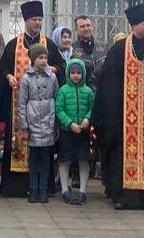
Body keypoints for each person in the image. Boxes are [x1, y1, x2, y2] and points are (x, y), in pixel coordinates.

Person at [91, 3, 144, 210]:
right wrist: (113, 114)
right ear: (134, 25)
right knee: (121, 156)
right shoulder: (119, 49)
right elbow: (109, 85)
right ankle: (123, 196)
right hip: (124, 118)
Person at [0, 0, 66, 198]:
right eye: (34, 19)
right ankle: (16, 187)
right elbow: (3, 69)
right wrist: (8, 76)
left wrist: (54, 69)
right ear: (26, 21)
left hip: (43, 110)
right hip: (19, 107)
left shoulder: (48, 45)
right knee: (18, 142)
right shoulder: (13, 45)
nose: (37, 23)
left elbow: (61, 67)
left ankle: (42, 187)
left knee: (43, 149)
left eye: (40, 19)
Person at [17, 44, 58, 204]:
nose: (43, 61)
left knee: (46, 158)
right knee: (34, 159)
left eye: (45, 58)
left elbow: (56, 96)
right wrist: (24, 126)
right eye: (40, 58)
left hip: (48, 119)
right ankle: (33, 188)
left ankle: (43, 190)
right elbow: (22, 103)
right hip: (33, 119)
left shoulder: (52, 77)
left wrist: (55, 123)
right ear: (33, 59)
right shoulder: (27, 79)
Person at [55, 58, 93, 205]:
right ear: (68, 73)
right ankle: (65, 189)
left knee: (83, 160)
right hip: (67, 131)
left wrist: (87, 119)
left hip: (82, 132)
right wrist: (69, 123)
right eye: (73, 72)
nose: (76, 75)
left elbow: (92, 107)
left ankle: (83, 190)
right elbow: (59, 109)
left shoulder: (88, 91)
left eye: (78, 72)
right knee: (65, 161)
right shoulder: (63, 91)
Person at [71, 15, 107, 88]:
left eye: (88, 25)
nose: (86, 28)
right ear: (76, 29)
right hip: (83, 92)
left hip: (102, 90)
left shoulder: (103, 46)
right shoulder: (72, 48)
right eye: (82, 26)